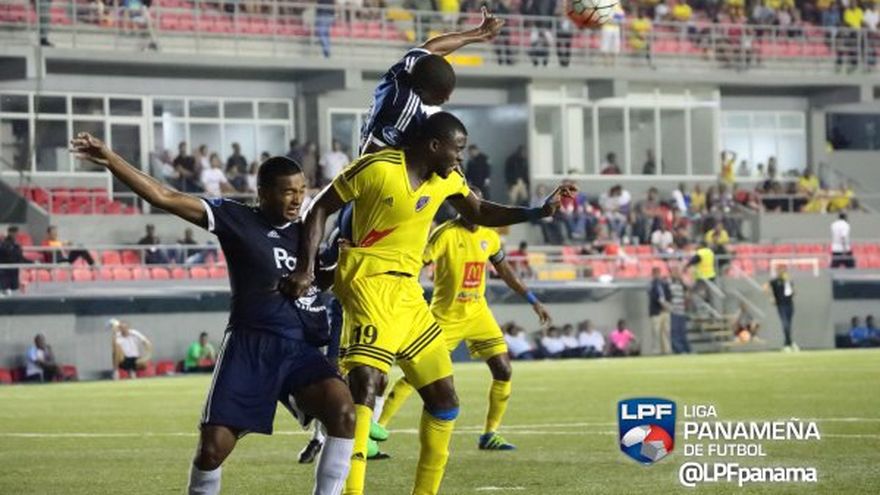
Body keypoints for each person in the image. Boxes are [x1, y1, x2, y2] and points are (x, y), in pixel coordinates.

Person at [283, 112, 573, 495]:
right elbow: (319, 207)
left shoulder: (448, 179)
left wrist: (538, 211)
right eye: (457, 150)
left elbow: (481, 211)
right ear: (435, 145)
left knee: (445, 400)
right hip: (368, 281)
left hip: (409, 292)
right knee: (366, 382)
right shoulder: (377, 168)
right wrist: (306, 268)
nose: (460, 158)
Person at [71, 132, 356, 495]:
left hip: (300, 349)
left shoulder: (308, 234)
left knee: (343, 412)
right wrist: (111, 159)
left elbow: (317, 282)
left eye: (301, 190)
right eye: (287, 191)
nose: (297, 199)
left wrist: (341, 263)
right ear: (262, 193)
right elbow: (165, 196)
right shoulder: (236, 218)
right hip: (249, 347)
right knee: (211, 451)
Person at [375, 209, 552, 451]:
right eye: (469, 208)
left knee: (504, 370)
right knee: (418, 375)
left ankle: (490, 434)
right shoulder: (445, 234)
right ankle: (377, 427)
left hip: (478, 314)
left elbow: (505, 271)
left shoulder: (489, 236)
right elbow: (417, 262)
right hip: (445, 317)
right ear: (461, 210)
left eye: (478, 209)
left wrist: (533, 300)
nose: (475, 213)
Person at [358, 7, 504, 155]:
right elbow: (368, 156)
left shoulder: (411, 64)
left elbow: (435, 48)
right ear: (420, 91)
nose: (446, 100)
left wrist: (479, 33)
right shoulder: (404, 109)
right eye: (440, 96)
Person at [765, 264, 797, 352]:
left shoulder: (788, 280)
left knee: (789, 325)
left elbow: (793, 292)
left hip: (789, 304)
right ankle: (788, 344)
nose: (782, 271)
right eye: (780, 270)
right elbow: (765, 287)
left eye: (783, 269)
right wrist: (771, 297)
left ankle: (788, 343)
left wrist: (789, 285)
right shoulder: (775, 281)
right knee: (785, 324)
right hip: (781, 305)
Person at [667, 266, 691, 354]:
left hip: (681, 310)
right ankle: (679, 349)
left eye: (678, 272)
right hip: (674, 311)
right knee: (675, 331)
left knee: (682, 331)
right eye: (675, 272)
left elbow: (688, 291)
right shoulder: (668, 283)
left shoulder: (681, 283)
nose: (677, 274)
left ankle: (686, 349)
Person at [0, 226, 31, 295]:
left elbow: (20, 257)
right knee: (5, 291)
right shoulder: (3, 244)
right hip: (5, 272)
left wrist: (32, 262)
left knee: (14, 290)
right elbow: (10, 257)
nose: (15, 234)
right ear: (9, 233)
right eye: (13, 233)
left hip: (14, 271)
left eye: (16, 233)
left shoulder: (16, 244)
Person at [648, 267, 671, 355]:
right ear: (653, 274)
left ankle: (666, 350)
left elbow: (669, 294)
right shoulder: (651, 285)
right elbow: (653, 296)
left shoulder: (664, 284)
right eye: (655, 273)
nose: (657, 275)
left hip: (665, 311)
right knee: (656, 332)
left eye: (658, 273)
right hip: (656, 311)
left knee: (666, 331)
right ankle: (656, 350)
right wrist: (661, 303)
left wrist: (667, 304)